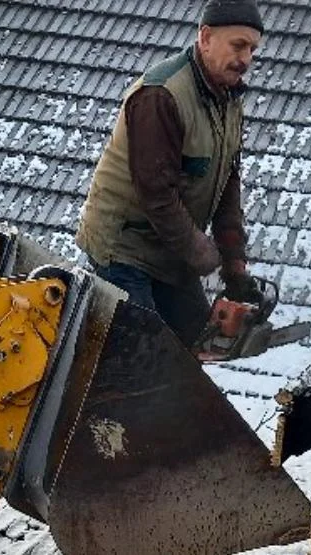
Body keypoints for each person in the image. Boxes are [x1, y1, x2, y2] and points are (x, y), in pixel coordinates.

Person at [76, 0, 265, 347]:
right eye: (238, 45)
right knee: (144, 354)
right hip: (124, 249)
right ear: (205, 38)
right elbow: (156, 195)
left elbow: (228, 186)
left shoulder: (228, 99)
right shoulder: (161, 96)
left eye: (252, 49)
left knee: (195, 342)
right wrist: (205, 255)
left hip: (170, 249)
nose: (246, 59)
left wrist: (234, 262)